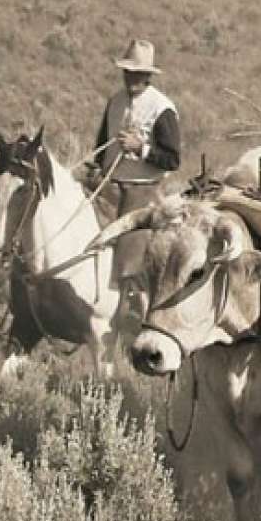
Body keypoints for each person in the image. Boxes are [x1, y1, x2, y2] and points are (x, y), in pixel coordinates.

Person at [87, 39, 180, 337]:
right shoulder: (114, 102)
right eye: (128, 72)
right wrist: (92, 167)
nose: (131, 79)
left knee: (130, 266)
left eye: (138, 74)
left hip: (143, 194)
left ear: (148, 75)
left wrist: (141, 149)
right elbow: (101, 149)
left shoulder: (162, 108)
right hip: (108, 190)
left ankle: (131, 326)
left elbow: (173, 158)